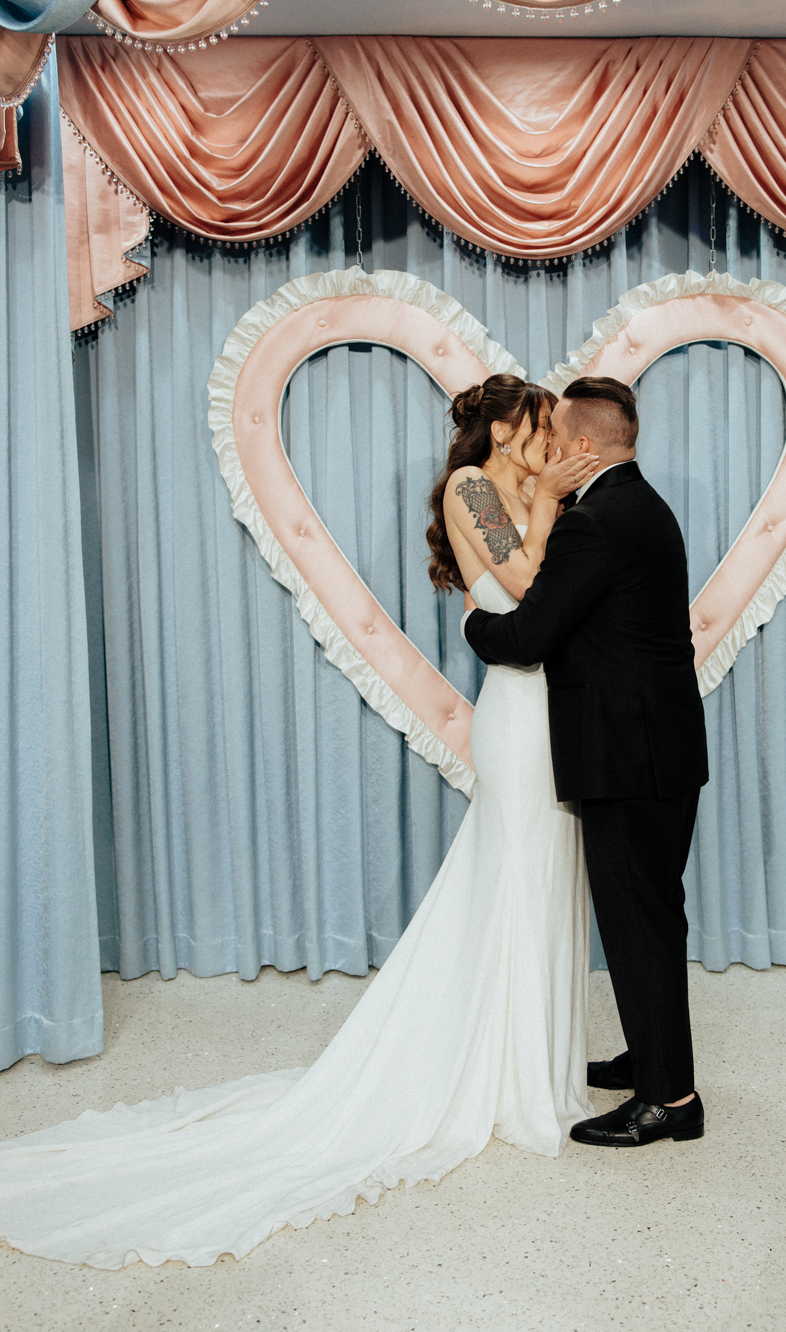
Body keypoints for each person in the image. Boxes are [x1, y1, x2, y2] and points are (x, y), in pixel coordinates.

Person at [0, 374, 599, 1269]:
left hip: (554, 704)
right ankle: (495, 1069)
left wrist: (550, 504)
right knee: (515, 866)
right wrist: (548, 504)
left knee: (547, 870)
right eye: (542, 424)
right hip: (515, 712)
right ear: (506, 429)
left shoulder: (525, 491)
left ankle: (531, 1059)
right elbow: (523, 582)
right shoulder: (471, 487)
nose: (553, 439)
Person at [463, 376, 709, 1148]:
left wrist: (472, 625)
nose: (544, 445)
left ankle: (668, 1101)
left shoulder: (593, 523)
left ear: (578, 445)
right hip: (662, 746)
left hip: (624, 754)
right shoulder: (644, 505)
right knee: (653, 915)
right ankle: (653, 1058)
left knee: (637, 921)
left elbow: (527, 636)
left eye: (553, 433)